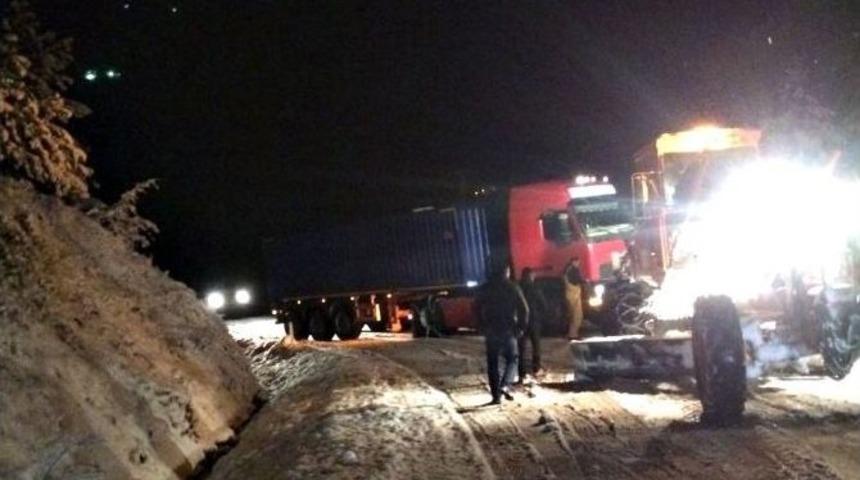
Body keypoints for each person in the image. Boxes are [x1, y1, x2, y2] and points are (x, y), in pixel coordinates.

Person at [475, 263, 529, 404]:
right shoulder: (513, 287)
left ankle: (496, 396)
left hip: (491, 330)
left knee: (492, 363)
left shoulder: (485, 288)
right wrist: (521, 328)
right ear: (506, 272)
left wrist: (481, 326)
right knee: (512, 359)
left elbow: (475, 308)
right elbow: (524, 309)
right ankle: (505, 384)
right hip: (509, 329)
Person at [518, 267, 548, 380]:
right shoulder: (535, 287)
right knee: (536, 346)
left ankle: (521, 373)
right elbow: (543, 304)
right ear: (531, 276)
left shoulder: (517, 287)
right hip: (534, 321)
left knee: (521, 348)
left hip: (521, 321)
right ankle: (536, 369)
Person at [563, 257, 586, 339]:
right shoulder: (573, 270)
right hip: (574, 294)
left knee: (573, 315)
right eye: (577, 262)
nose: (578, 264)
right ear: (573, 262)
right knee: (577, 315)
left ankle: (572, 333)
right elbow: (577, 280)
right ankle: (573, 334)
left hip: (570, 294)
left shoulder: (567, 269)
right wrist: (585, 281)